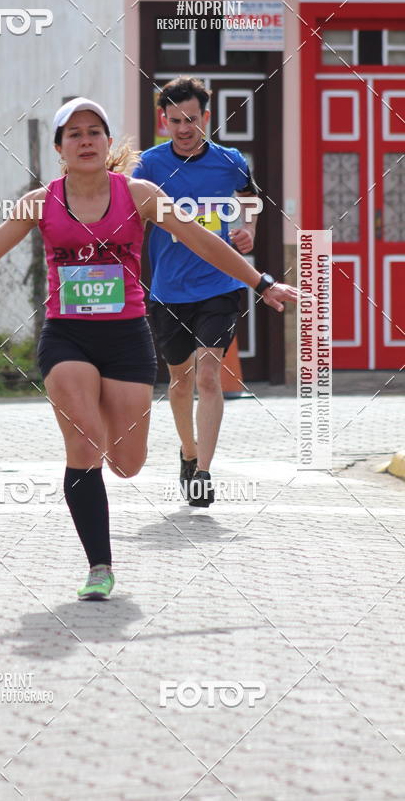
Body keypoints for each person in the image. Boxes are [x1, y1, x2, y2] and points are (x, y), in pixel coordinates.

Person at [0, 97, 296, 600]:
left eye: (95, 132)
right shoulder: (40, 201)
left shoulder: (139, 194)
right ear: (59, 148)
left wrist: (262, 283)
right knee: (84, 445)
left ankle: (130, 459)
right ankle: (99, 566)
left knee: (126, 463)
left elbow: (203, 241)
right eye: (74, 134)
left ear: (108, 143)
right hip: (66, 334)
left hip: (127, 337)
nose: (86, 140)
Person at [133, 76, 266, 507]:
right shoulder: (149, 166)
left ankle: (204, 473)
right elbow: (129, 212)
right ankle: (187, 454)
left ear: (206, 117)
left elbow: (250, 198)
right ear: (163, 122)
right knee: (179, 382)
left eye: (192, 119)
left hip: (219, 285)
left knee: (209, 376)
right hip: (169, 290)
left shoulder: (230, 161)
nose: (184, 128)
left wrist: (247, 229)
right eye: (175, 121)